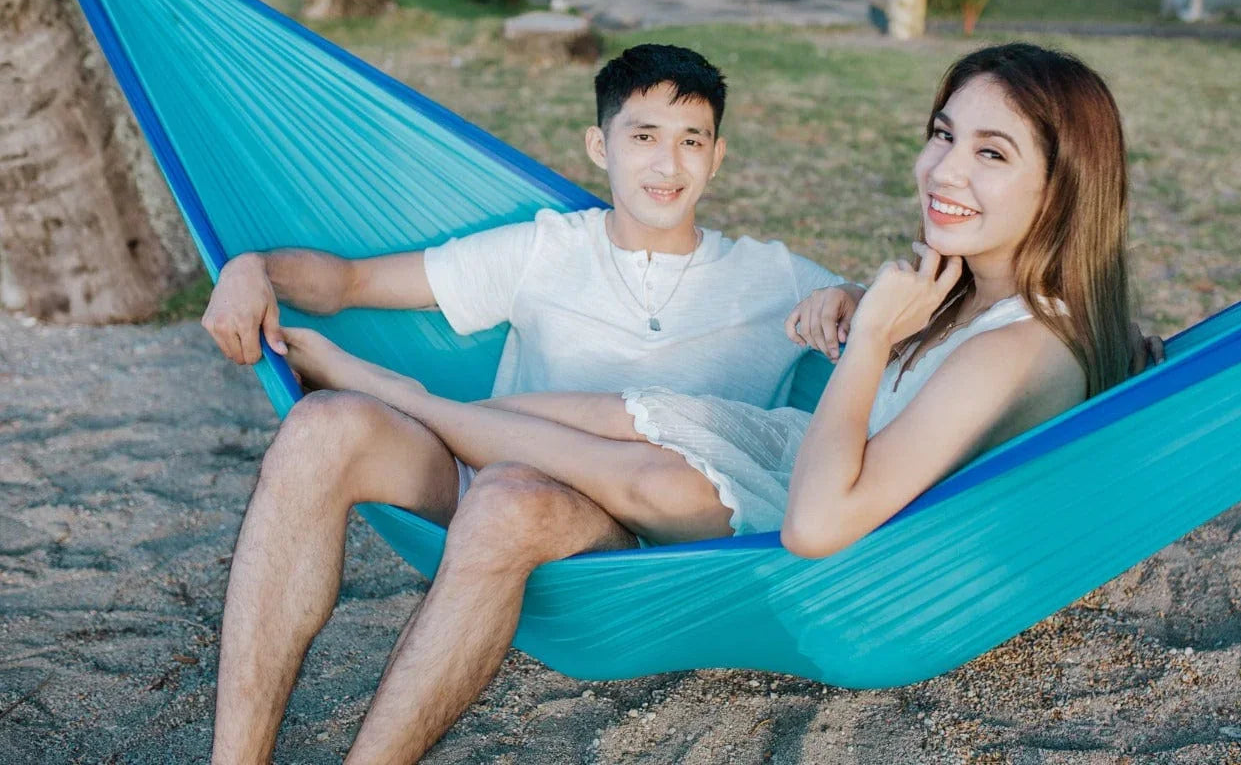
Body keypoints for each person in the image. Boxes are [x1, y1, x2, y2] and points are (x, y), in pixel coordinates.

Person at [280, 41, 1146, 760]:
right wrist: (863, 305)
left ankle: (394, 393)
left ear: (1060, 186)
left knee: (638, 468)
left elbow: (816, 528)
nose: (943, 171)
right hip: (803, 448)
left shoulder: (1014, 350)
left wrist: (874, 334)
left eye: (992, 154)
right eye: (942, 134)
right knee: (600, 410)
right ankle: (410, 402)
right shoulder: (977, 295)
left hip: (832, 531)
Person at [203, 44, 864, 764]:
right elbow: (349, 283)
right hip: (481, 470)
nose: (667, 166)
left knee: (509, 498)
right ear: (598, 145)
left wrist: (853, 299)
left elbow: (909, 339)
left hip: (635, 542)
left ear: (717, 156)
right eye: (643, 137)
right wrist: (251, 268)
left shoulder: (772, 276)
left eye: (690, 142)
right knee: (320, 425)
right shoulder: (547, 248)